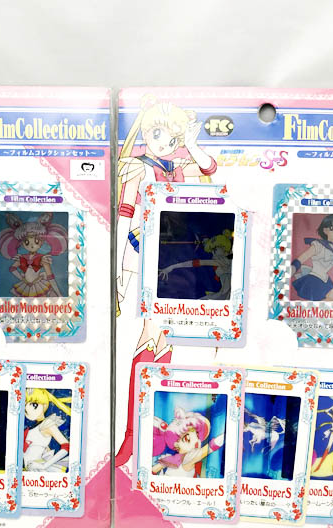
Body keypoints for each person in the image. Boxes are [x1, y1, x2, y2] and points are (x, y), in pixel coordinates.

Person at [115, 96, 217, 466]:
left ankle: (148, 437)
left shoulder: (184, 165)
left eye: (171, 138)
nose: (164, 143)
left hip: (182, 265)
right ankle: (134, 435)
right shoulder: (138, 168)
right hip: (145, 259)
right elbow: (125, 216)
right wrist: (118, 272)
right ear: (145, 132)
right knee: (150, 341)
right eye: (157, 134)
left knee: (164, 344)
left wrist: (191, 143)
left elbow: (210, 170)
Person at [0, 213, 68, 297]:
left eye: (36, 241)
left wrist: (59, 294)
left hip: (39, 285)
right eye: (27, 242)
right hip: (25, 286)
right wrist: (22, 279)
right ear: (22, 244)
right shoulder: (22, 258)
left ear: (42, 242)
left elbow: (50, 277)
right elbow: (12, 269)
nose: (32, 245)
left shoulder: (42, 259)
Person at [152, 408, 223, 478]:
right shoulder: (173, 459)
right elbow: (153, 471)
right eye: (187, 439)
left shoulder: (187, 458)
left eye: (197, 436)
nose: (196, 443)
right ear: (176, 444)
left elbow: (206, 450)